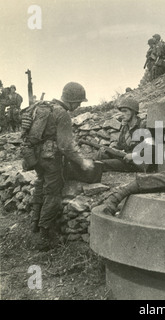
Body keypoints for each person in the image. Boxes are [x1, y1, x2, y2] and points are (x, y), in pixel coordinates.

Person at [22, 82, 95, 251]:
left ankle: (34, 224)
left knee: (40, 185)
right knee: (53, 194)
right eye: (78, 102)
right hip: (50, 159)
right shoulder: (62, 114)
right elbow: (66, 146)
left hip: (34, 157)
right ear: (71, 100)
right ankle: (43, 237)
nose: (78, 106)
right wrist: (82, 162)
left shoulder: (42, 107)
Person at [95, 97, 155, 173]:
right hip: (125, 157)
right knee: (101, 154)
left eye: (125, 111)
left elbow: (152, 149)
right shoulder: (125, 127)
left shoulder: (143, 126)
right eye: (121, 111)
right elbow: (120, 145)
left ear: (133, 112)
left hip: (137, 162)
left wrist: (133, 155)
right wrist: (111, 148)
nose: (122, 114)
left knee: (103, 164)